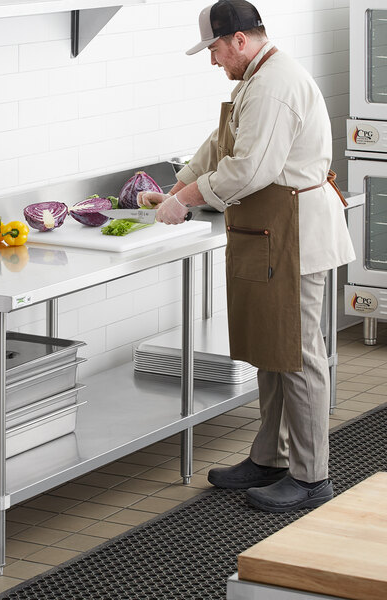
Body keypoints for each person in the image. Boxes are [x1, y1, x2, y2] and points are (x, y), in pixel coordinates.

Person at [137, 0, 355, 513]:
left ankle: (310, 477)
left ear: (238, 40)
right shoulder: (255, 81)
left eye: (213, 49)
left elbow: (250, 168)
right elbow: (220, 146)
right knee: (272, 350)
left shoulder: (275, 85)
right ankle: (271, 458)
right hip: (274, 230)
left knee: (298, 356)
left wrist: (184, 201)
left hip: (295, 233)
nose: (212, 61)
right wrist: (177, 184)